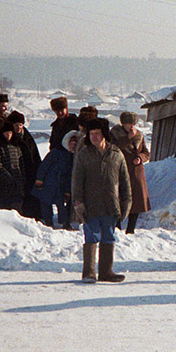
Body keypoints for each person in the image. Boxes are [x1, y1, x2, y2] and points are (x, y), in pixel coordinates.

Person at [71, 116, 132, 283]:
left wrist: (126, 203)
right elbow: (76, 181)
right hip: (90, 205)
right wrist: (78, 202)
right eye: (91, 134)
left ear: (104, 134)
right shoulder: (84, 154)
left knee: (108, 236)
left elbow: (125, 181)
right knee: (91, 236)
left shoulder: (116, 154)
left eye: (97, 133)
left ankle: (106, 272)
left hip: (111, 204)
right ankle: (89, 273)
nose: (94, 137)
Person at [110, 111, 151, 233]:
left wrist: (141, 158)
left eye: (134, 123)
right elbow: (113, 148)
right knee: (119, 199)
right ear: (123, 123)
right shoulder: (115, 133)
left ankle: (131, 229)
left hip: (136, 173)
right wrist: (128, 138)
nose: (132, 126)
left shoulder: (140, 135)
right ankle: (117, 227)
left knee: (136, 201)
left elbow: (146, 153)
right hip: (120, 170)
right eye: (129, 123)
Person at [34, 129, 80, 228]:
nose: (73, 146)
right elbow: (44, 166)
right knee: (45, 202)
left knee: (61, 204)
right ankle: (48, 221)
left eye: (75, 145)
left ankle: (64, 222)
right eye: (71, 144)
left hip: (61, 185)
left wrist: (67, 189)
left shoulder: (73, 158)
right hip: (48, 182)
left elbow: (70, 175)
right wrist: (39, 179)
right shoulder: (56, 152)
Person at [6, 111, 42, 219]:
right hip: (18, 173)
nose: (18, 127)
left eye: (20, 125)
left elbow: (35, 155)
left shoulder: (27, 137)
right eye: (16, 125)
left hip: (31, 172)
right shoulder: (11, 139)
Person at [0, 119, 26, 210]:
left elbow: (21, 163)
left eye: (10, 133)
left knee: (17, 206)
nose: (8, 135)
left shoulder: (16, 147)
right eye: (6, 133)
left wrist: (21, 177)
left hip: (18, 183)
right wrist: (7, 176)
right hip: (3, 183)